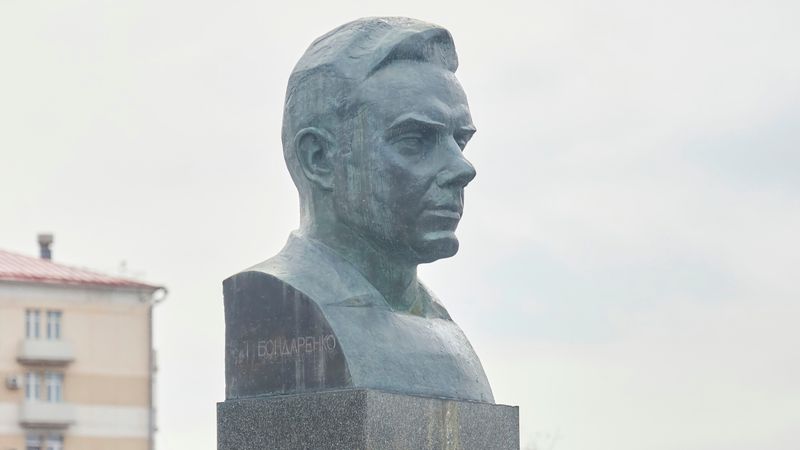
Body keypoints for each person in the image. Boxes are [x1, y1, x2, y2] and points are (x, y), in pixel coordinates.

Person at [224, 17, 494, 403]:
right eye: (415, 140)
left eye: (460, 141)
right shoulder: (277, 305)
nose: (462, 170)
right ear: (319, 158)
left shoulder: (444, 332)